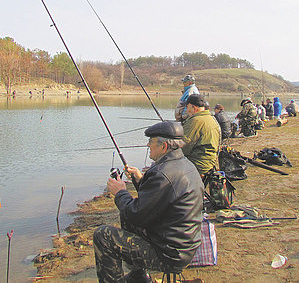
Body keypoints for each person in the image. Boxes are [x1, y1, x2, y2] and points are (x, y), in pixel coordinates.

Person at [93, 121, 204, 283]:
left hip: (169, 254)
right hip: (184, 244)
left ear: (164, 146)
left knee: (103, 235)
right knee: (127, 217)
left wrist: (120, 192)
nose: (148, 145)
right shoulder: (185, 164)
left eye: (151, 142)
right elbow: (159, 199)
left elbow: (136, 214)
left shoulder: (162, 173)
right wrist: (140, 180)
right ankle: (139, 276)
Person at [182, 94, 221, 175]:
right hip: (209, 163)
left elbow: (183, 146)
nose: (187, 110)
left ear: (194, 107)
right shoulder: (211, 118)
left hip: (199, 165)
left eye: (187, 107)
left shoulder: (195, 121)